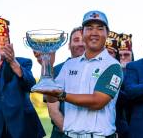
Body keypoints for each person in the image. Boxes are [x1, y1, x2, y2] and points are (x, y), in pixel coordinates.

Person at [40, 10, 123, 138]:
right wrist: (48, 65)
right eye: (89, 28)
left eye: (100, 28)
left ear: (107, 33)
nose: (94, 33)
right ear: (83, 33)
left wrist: (62, 94)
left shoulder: (113, 66)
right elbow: (52, 98)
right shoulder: (70, 65)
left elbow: (98, 101)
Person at [0, 17, 45, 138]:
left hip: (23, 128)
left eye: (5, 39)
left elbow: (31, 85)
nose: (2, 42)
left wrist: (13, 62)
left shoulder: (23, 62)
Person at [34, 26, 85, 138]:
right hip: (62, 134)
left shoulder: (97, 69)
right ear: (68, 45)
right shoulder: (56, 70)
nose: (81, 43)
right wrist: (71, 134)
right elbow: (53, 111)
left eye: (84, 40)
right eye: (76, 40)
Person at [116, 33, 134, 138]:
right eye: (120, 55)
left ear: (132, 55)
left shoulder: (138, 72)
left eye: (126, 55)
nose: (122, 58)